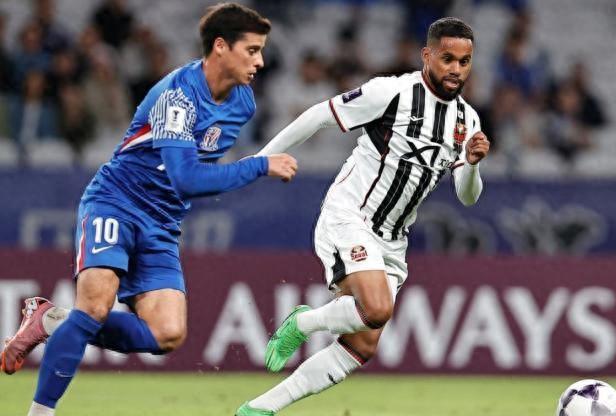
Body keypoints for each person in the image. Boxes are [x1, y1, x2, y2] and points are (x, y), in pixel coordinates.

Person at [0, 4, 297, 416]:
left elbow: (195, 174)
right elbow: (186, 179)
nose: (260, 61)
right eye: (251, 50)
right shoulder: (177, 97)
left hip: (161, 222)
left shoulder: (243, 103)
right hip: (116, 202)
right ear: (220, 46)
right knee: (96, 306)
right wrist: (259, 166)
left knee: (167, 334)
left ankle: (51, 320)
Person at [236, 17, 490, 416]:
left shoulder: (467, 121)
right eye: (447, 59)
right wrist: (262, 158)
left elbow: (467, 196)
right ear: (427, 56)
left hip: (393, 239)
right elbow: (320, 115)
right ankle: (303, 324)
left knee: (362, 345)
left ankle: (259, 409)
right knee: (377, 309)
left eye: (464, 61)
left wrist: (472, 165)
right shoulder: (391, 93)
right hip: (351, 214)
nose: (456, 69)